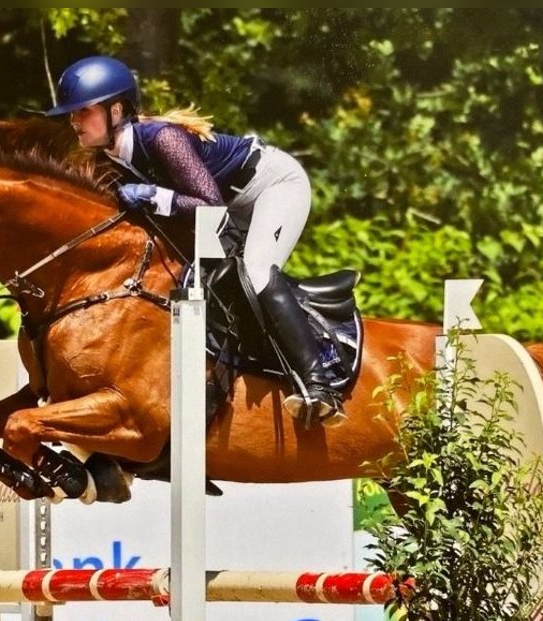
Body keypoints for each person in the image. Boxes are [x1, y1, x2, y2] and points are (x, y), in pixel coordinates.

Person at [44, 54, 344, 425]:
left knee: (254, 271)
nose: (73, 121)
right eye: (71, 114)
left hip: (272, 186)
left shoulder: (164, 138)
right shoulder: (111, 157)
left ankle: (320, 385)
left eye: (81, 112)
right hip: (230, 204)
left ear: (115, 110)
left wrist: (153, 195)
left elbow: (210, 206)